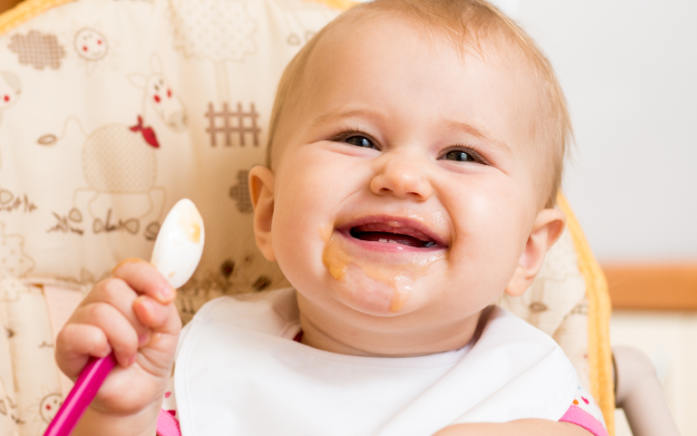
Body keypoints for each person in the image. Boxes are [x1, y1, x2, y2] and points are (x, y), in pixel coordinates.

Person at [55, 1, 609, 435]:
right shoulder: (204, 371)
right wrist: (115, 416)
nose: (401, 176)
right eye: (358, 139)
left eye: (462, 155)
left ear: (529, 251)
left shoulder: (529, 392)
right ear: (268, 214)